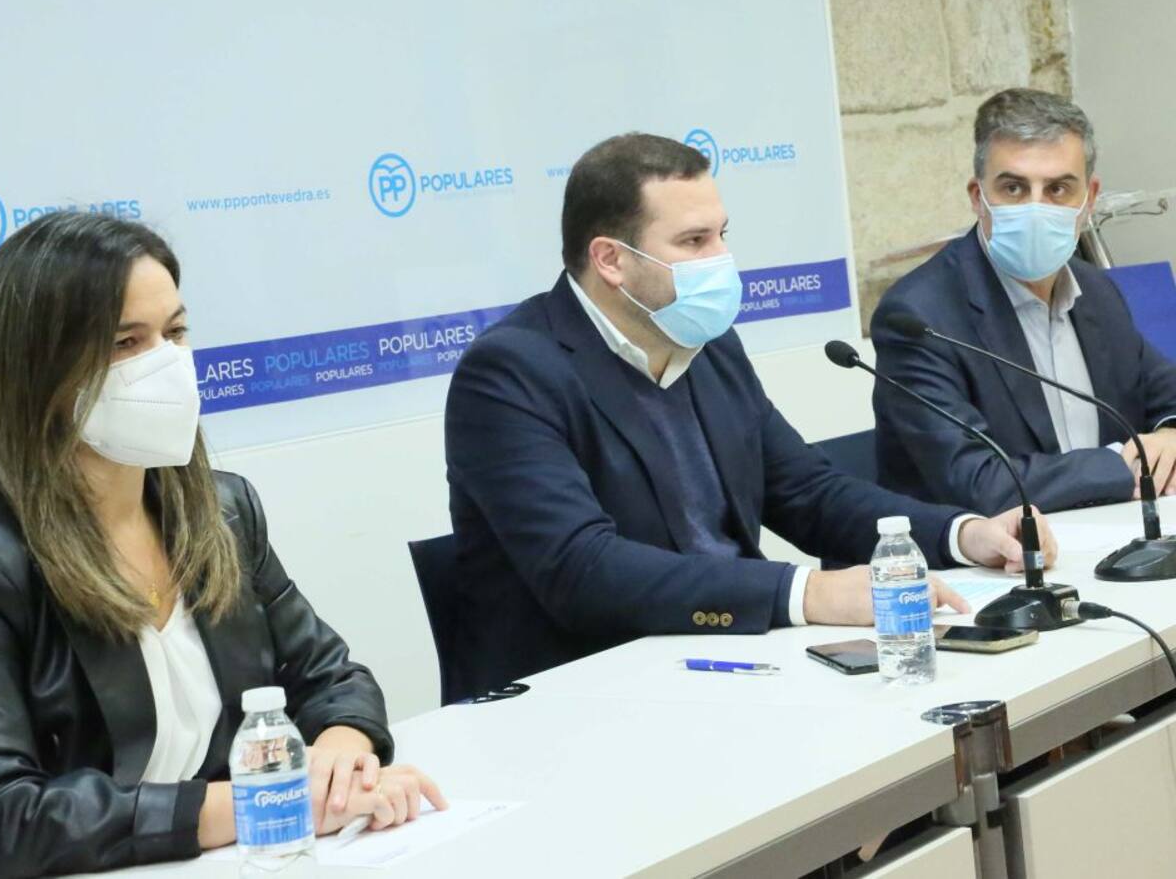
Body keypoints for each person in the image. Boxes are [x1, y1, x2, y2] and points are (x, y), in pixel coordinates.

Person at [443, 132, 1056, 702]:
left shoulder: (708, 345)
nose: (722, 258)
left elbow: (807, 493)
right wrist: (807, 592)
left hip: (733, 664)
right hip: (589, 692)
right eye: (694, 242)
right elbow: (581, 569)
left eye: (722, 235)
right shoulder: (511, 372)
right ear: (610, 259)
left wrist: (961, 534)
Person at [0, 213, 445, 878]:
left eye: (174, 333)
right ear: (38, 373)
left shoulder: (224, 511)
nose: (166, 363)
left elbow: (330, 677)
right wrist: (265, 801)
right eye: (126, 342)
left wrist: (340, 756)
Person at [873, 88, 1176, 514]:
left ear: (1089, 199)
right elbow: (980, 482)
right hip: (993, 549)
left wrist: (1170, 435)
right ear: (978, 197)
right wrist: (1125, 465)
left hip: (1109, 533)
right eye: (1014, 188)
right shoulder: (918, 317)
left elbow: (1165, 393)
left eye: (1058, 189)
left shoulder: (1096, 291)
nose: (1036, 208)